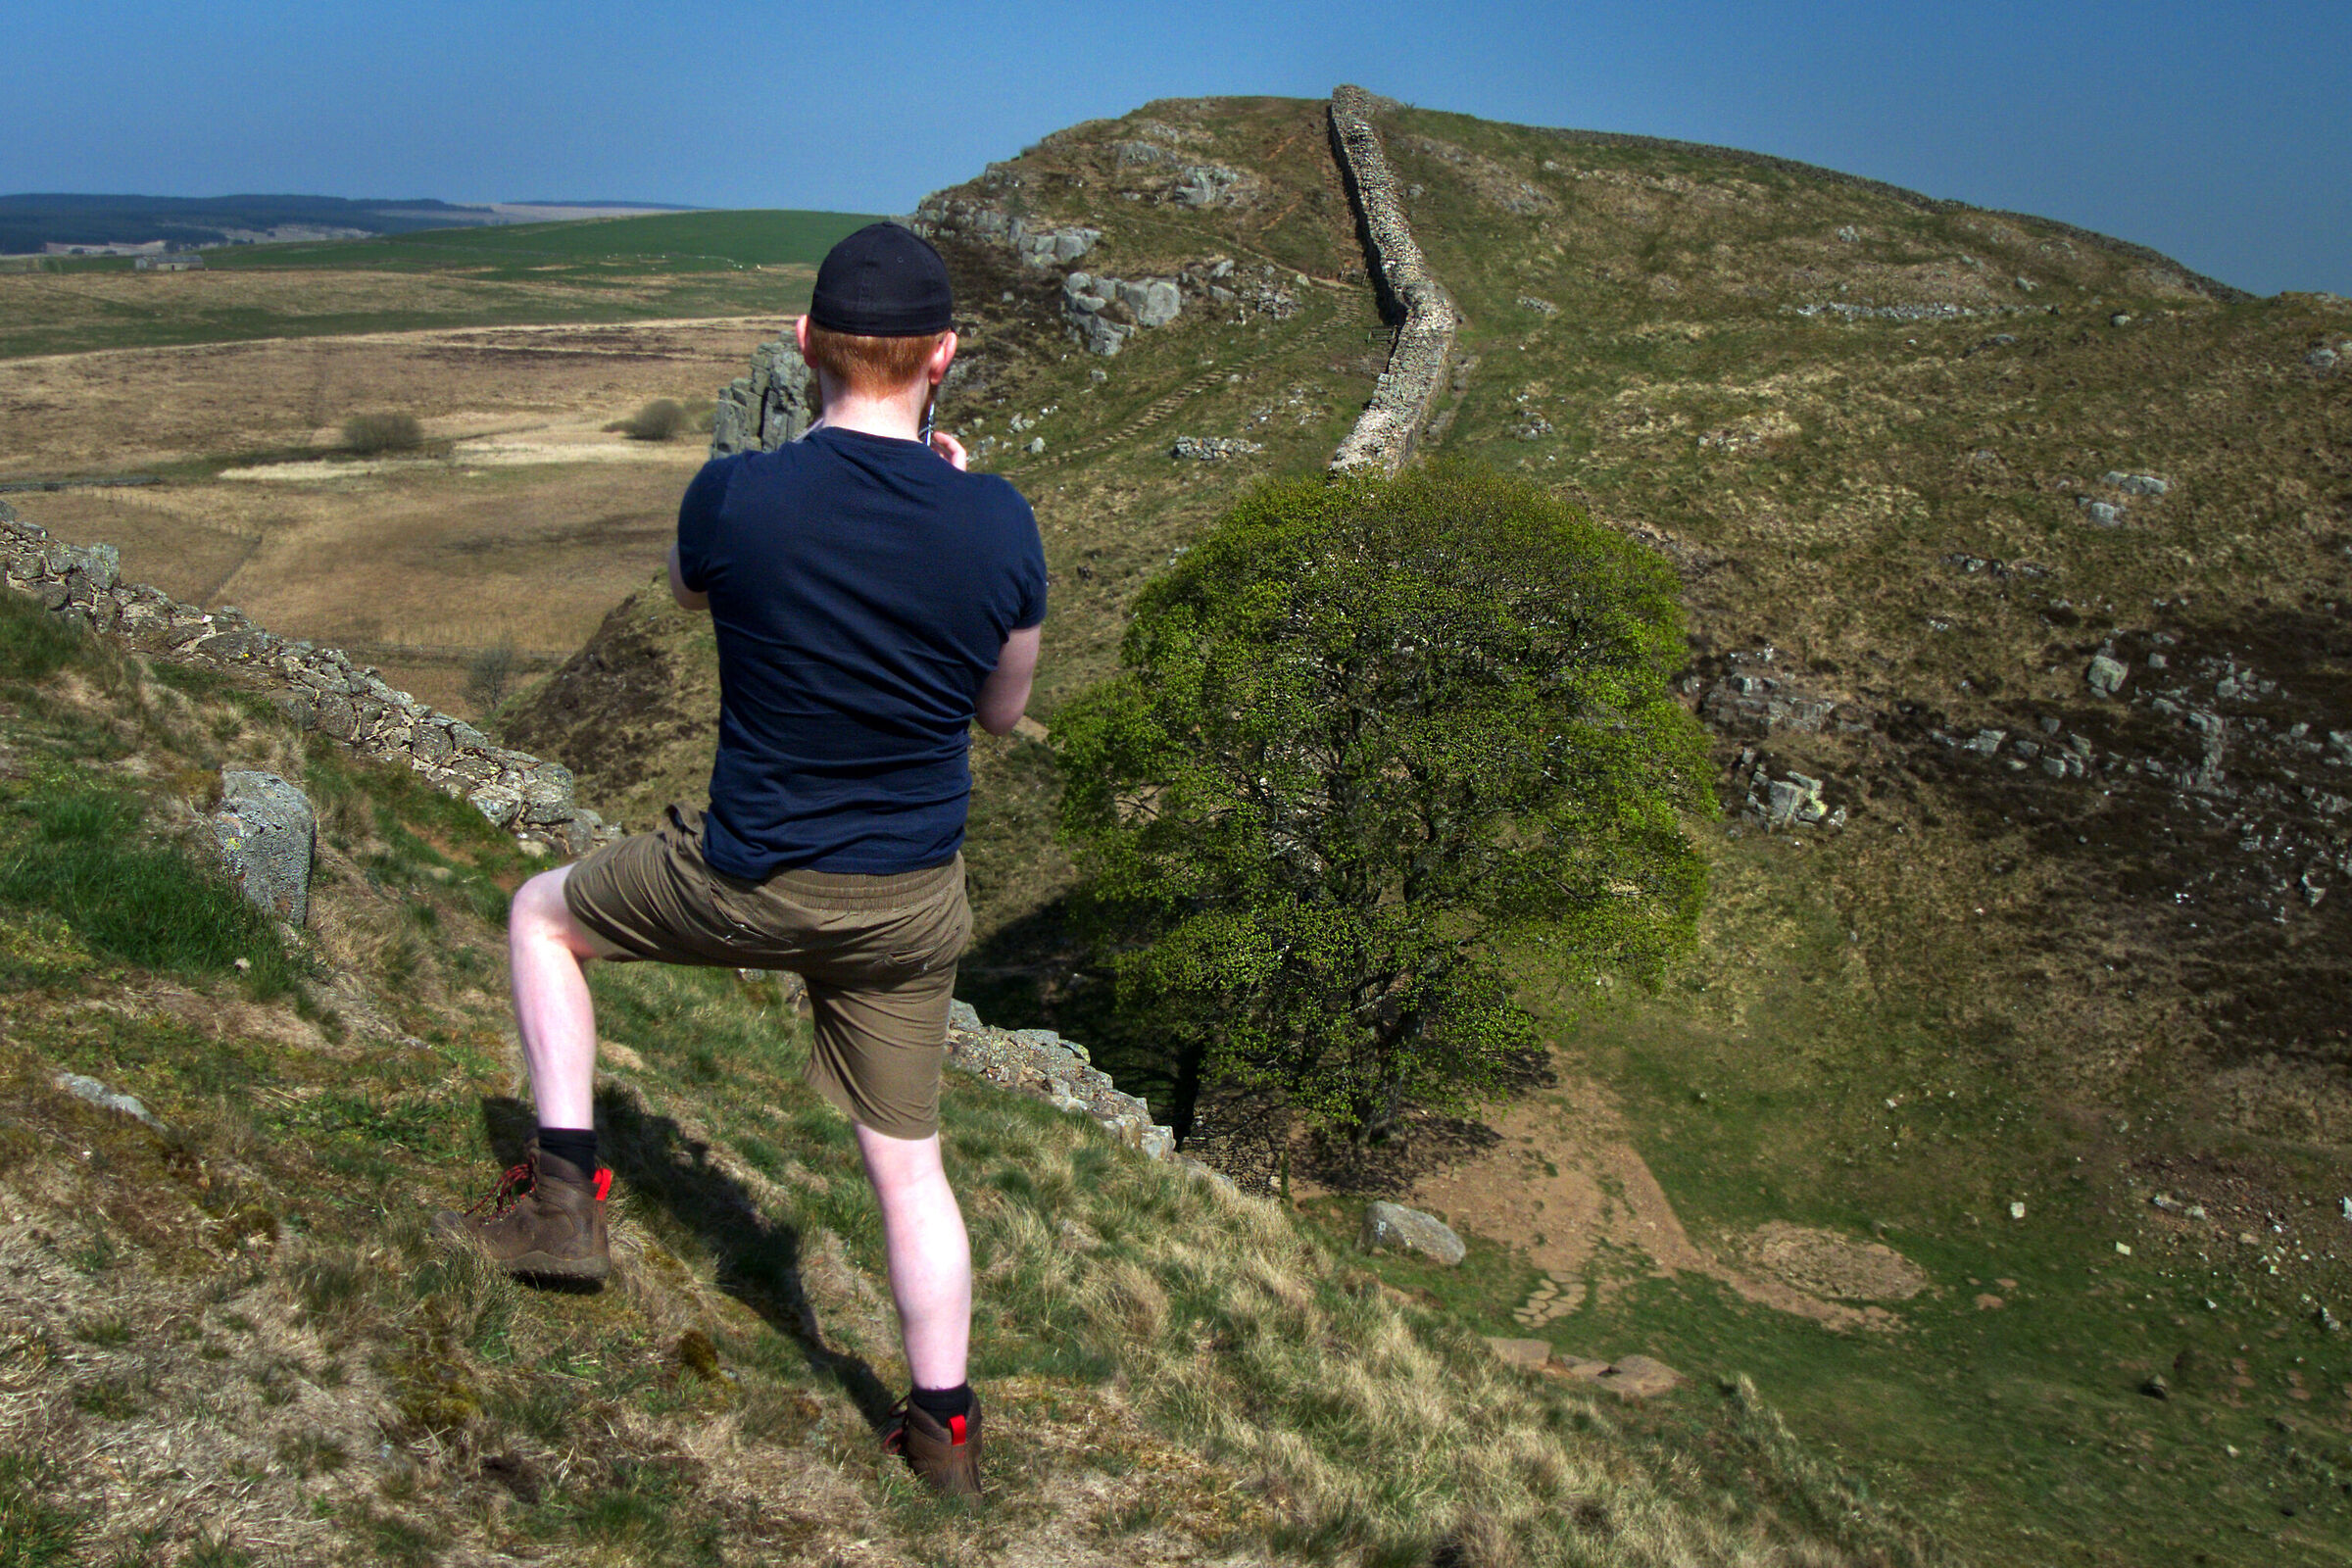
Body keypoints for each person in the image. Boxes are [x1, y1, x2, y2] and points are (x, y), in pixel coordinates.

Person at [434, 223, 1044, 1499]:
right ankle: (943, 1437)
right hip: (903, 906)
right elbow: (999, 711)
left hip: (741, 875)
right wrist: (951, 499)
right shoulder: (998, 526)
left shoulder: (736, 495)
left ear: (806, 341)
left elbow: (690, 590)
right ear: (944, 356)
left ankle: (561, 1202)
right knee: (909, 1161)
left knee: (543, 917)